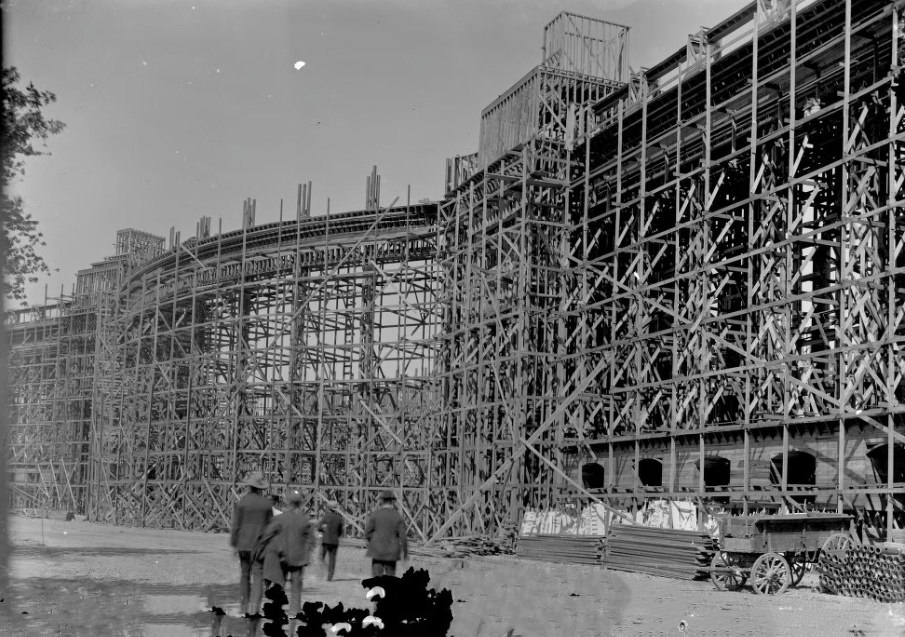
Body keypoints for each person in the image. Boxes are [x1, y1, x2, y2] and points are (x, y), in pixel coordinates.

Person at [255, 488, 315, 617]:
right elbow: (311, 540)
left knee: (279, 582)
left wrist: (261, 546)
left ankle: (277, 608)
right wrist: (309, 552)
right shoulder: (304, 520)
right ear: (300, 503)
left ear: (288, 502)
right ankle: (294, 610)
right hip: (299, 557)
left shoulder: (281, 518)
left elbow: (267, 533)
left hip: (282, 555)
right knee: (297, 583)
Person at [230, 470, 273, 615]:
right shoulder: (266, 504)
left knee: (244, 575)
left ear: (250, 486)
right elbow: (270, 527)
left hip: (243, 544)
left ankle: (244, 605)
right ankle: (254, 607)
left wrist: (234, 543)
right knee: (258, 576)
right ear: (261, 488)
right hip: (260, 545)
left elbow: (236, 525)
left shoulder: (242, 502)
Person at [364, 489, 408, 577]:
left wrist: (373, 541)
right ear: (392, 501)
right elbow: (403, 537)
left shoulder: (375, 515)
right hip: (392, 553)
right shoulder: (397, 516)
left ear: (382, 501)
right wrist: (405, 552)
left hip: (377, 551)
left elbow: (367, 533)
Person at [317, 500, 344, 581]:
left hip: (325, 540)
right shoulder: (339, 518)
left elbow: (319, 527)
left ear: (328, 508)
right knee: (332, 559)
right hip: (335, 541)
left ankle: (323, 571)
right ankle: (330, 576)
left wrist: (323, 530)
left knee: (321, 557)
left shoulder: (325, 517)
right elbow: (340, 532)